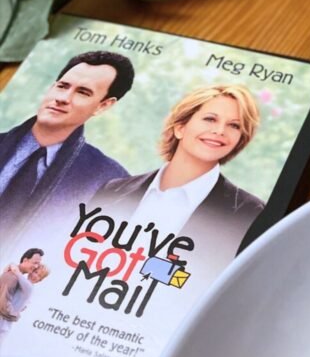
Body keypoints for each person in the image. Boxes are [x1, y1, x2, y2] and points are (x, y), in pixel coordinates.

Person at [95, 85, 264, 270]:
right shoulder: (112, 189)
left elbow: (203, 282)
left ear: (240, 139)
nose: (220, 131)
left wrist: (137, 265)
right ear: (180, 128)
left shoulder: (249, 212)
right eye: (210, 119)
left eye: (234, 125)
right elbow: (78, 250)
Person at [0, 50, 136, 238]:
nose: (63, 98)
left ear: (103, 105)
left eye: (83, 92)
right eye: (62, 86)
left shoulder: (109, 181)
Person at [0, 249, 49, 349]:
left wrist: (12, 265)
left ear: (40, 280)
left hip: (4, 324)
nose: (35, 275)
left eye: (39, 276)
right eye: (35, 272)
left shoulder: (28, 286)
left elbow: (16, 271)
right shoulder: (18, 281)